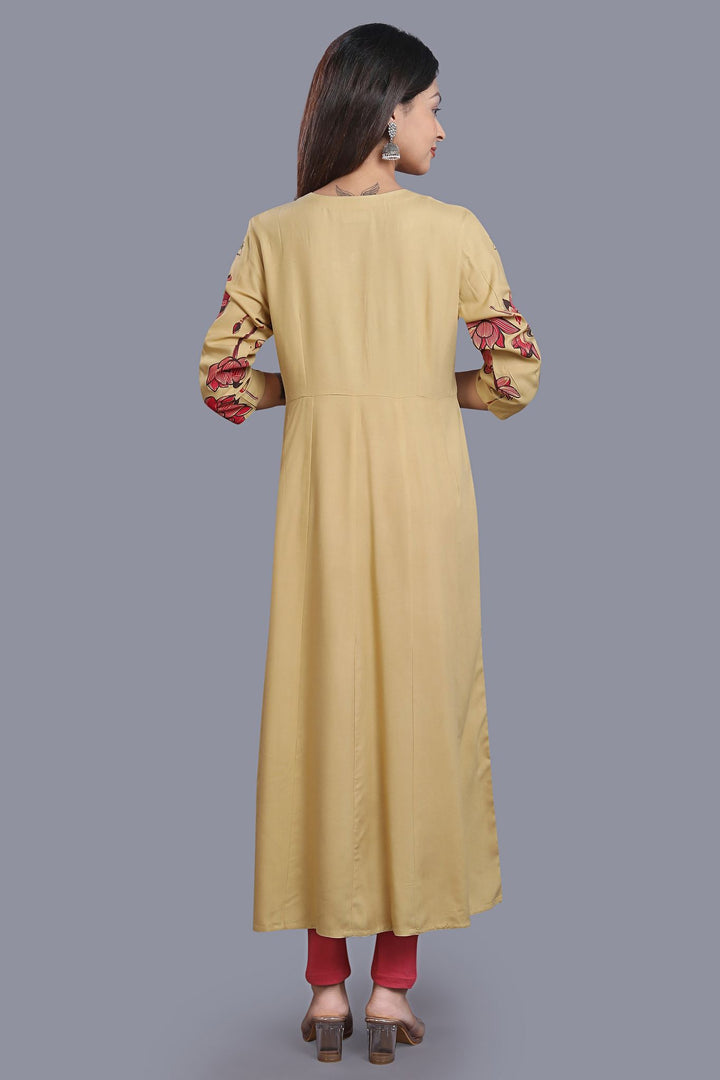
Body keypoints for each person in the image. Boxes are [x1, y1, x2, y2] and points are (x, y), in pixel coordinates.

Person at [198, 22, 541, 1065]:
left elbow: (222, 383)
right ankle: (393, 991)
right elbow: (517, 376)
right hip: (427, 511)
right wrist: (430, 391)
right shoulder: (455, 232)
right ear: (389, 113)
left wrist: (311, 391)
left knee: (320, 723)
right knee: (417, 726)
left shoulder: (274, 233)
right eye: (434, 106)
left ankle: (324, 991)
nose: (443, 126)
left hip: (320, 514)